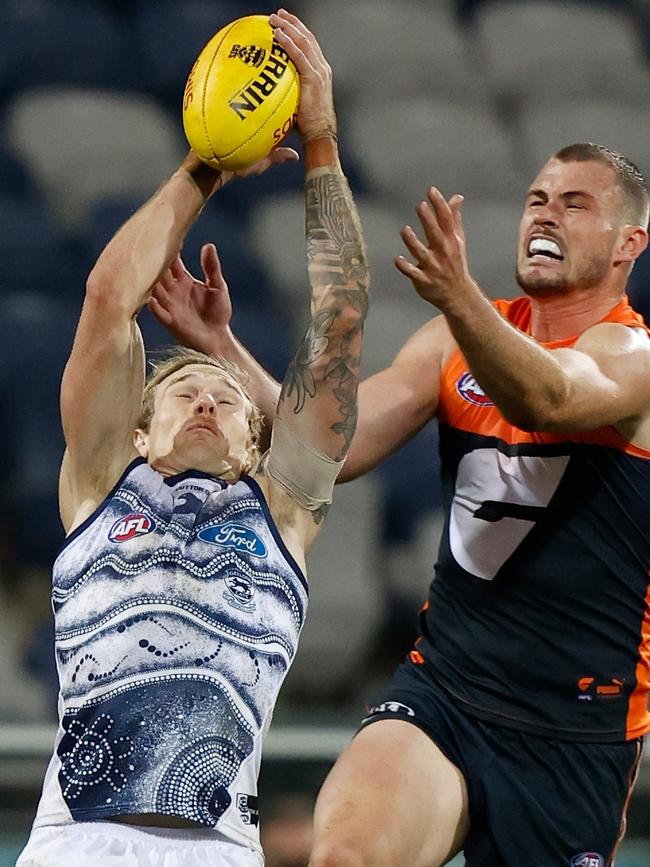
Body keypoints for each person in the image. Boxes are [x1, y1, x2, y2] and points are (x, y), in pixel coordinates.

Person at [150, 141, 650, 866]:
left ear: (629, 243)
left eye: (576, 204)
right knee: (345, 856)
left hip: (573, 729)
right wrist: (220, 344)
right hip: (447, 687)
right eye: (540, 198)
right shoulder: (453, 339)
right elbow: (335, 450)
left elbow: (550, 396)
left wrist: (459, 296)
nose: (547, 213)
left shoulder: (632, 357)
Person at [17, 10, 369, 867]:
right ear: (139, 428)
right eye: (181, 391)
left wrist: (321, 141)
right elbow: (109, 297)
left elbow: (338, 324)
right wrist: (204, 168)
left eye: (225, 394)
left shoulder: (282, 509)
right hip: (75, 843)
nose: (207, 399)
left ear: (259, 442)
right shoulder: (100, 483)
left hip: (214, 848)